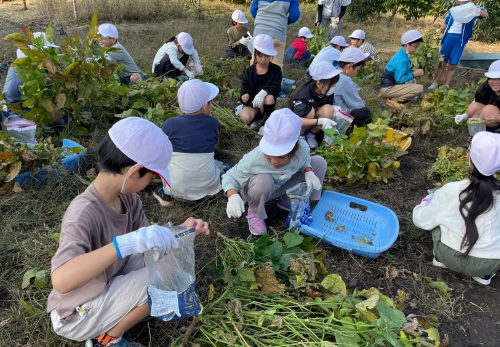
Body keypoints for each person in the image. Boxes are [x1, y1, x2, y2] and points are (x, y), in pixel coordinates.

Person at [46, 117, 210, 346]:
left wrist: (182, 230)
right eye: (152, 176)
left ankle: (114, 318)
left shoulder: (128, 198)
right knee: (158, 280)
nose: (151, 182)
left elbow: (146, 241)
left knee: (169, 261)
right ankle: (107, 339)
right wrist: (123, 244)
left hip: (109, 280)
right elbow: (62, 280)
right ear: (133, 171)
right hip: (77, 312)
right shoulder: (82, 212)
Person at [413, 131, 500, 286]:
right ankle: (484, 276)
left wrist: (425, 203)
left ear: (468, 157)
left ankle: (440, 259)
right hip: (489, 262)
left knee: (437, 221)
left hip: (449, 255)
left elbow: (421, 220)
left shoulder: (452, 189)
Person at [222, 108, 327, 235]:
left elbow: (305, 160)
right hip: (256, 191)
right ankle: (255, 213)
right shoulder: (255, 158)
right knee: (263, 180)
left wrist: (308, 171)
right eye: (269, 155)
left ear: (294, 148)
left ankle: (299, 200)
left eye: (281, 156)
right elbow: (230, 176)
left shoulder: (302, 148)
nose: (274, 161)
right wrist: (232, 195)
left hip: (280, 185)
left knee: (319, 162)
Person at [153, 79, 222, 205]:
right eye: (211, 103)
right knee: (222, 166)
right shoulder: (213, 123)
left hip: (176, 189)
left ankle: (165, 193)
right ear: (206, 106)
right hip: (208, 188)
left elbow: (161, 150)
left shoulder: (169, 124)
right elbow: (214, 145)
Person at [428, 0, 488, 90]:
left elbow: (485, 14)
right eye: (461, 2)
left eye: (465, 2)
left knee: (452, 64)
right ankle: (435, 82)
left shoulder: (471, 10)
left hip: (460, 40)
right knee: (442, 62)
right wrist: (436, 33)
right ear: (457, 2)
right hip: (448, 38)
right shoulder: (453, 11)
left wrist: (475, 10)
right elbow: (446, 23)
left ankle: (446, 84)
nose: (463, 4)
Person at [290, 61, 340, 149]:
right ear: (319, 84)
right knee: (310, 112)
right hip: (297, 124)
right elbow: (296, 120)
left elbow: (326, 108)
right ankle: (300, 136)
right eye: (332, 85)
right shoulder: (303, 95)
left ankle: (312, 134)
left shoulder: (327, 91)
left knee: (329, 109)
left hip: (313, 122)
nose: (334, 87)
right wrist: (319, 122)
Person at [239, 34, 282, 130]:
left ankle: (264, 120)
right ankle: (255, 117)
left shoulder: (276, 70)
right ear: (255, 54)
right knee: (245, 118)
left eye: (267, 55)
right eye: (260, 55)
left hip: (265, 105)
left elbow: (276, 87)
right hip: (251, 104)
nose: (263, 59)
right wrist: (245, 95)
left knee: (269, 98)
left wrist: (264, 92)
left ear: (271, 55)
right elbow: (245, 86)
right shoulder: (249, 71)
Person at [3, 32, 59, 104]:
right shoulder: (31, 68)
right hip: (19, 102)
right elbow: (13, 92)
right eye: (50, 49)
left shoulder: (19, 64)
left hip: (11, 99)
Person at [250, 0, 300, 68]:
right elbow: (295, 15)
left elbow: (253, 11)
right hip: (277, 33)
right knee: (277, 65)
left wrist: (261, 20)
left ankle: (253, 77)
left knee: (255, 62)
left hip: (259, 31)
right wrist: (283, 22)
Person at [379, 30, 425, 103]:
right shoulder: (402, 60)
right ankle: (394, 99)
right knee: (419, 88)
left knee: (413, 81)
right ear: (407, 45)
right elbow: (399, 79)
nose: (417, 49)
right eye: (416, 46)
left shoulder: (402, 54)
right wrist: (414, 74)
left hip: (390, 85)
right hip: (388, 89)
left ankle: (398, 95)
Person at [334, 47, 372, 126]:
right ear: (349, 67)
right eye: (358, 70)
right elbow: (358, 105)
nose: (357, 73)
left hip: (330, 112)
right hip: (337, 118)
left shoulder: (334, 72)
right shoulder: (345, 80)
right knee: (366, 112)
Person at [461, 60, 500, 133]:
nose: (495, 82)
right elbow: (475, 103)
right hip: (490, 117)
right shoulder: (484, 89)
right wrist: (464, 116)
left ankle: (495, 132)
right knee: (474, 106)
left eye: (499, 79)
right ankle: (482, 130)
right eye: (492, 78)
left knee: (488, 110)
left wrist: (498, 118)